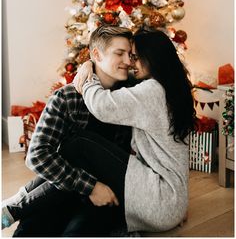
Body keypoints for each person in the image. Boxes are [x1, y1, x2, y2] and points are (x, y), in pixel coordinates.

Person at [2, 25, 136, 237]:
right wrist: (90, 187)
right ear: (96, 55)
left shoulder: (132, 96)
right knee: (28, 233)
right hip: (63, 188)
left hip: (107, 194)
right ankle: (18, 207)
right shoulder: (67, 97)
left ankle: (20, 203)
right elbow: (37, 156)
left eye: (130, 55)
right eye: (119, 53)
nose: (128, 61)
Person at [72, 27, 196, 232]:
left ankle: (22, 204)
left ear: (152, 58)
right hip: (173, 201)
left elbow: (101, 106)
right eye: (129, 56)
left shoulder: (152, 91)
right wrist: (90, 62)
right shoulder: (173, 88)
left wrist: (88, 76)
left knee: (78, 144)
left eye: (136, 57)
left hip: (159, 200)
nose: (130, 63)